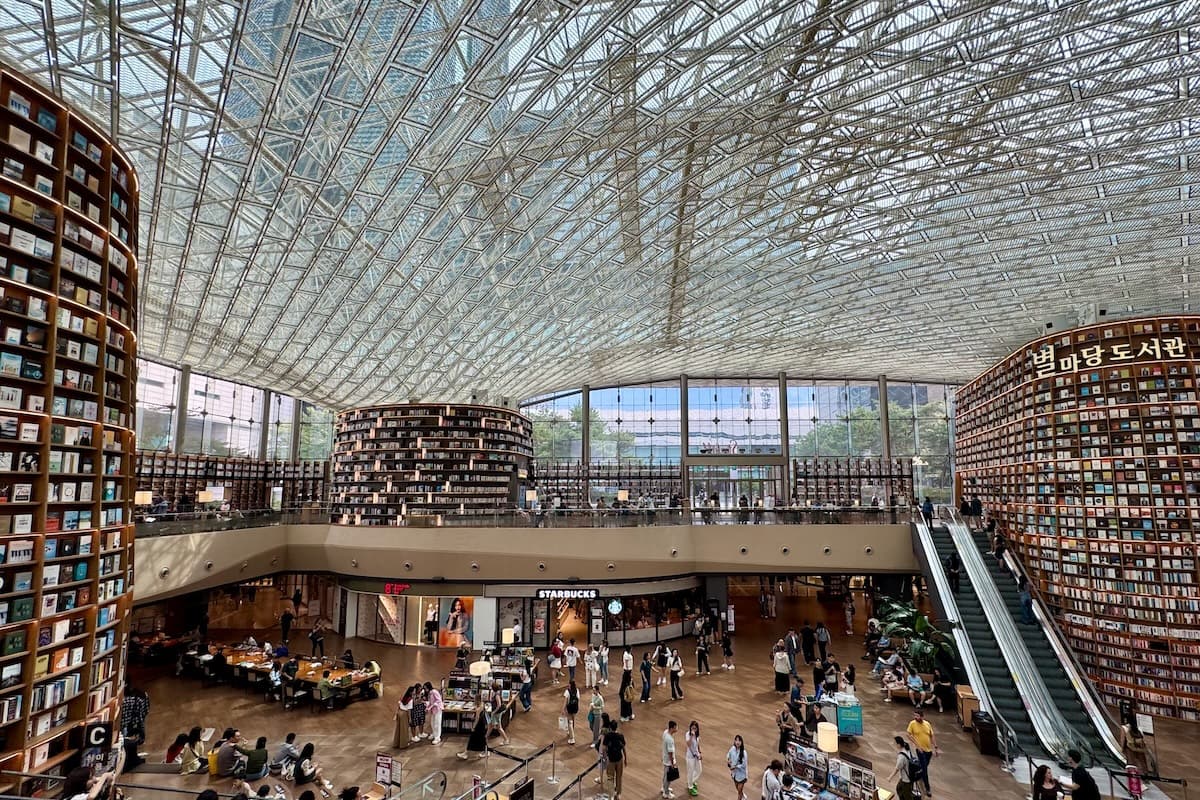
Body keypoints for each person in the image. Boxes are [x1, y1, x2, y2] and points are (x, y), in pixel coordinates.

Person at [905, 708, 938, 798]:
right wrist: (917, 746)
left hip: (928, 751)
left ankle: (917, 775)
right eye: (915, 715)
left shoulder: (927, 724)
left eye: (917, 716)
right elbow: (908, 734)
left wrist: (935, 747)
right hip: (920, 750)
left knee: (923, 767)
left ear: (922, 717)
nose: (915, 717)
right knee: (925, 769)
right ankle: (927, 788)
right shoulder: (912, 724)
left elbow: (932, 735)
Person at [604, 720, 627, 799]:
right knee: (619, 777)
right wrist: (625, 759)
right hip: (619, 759)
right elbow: (623, 748)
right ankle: (618, 793)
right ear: (616, 727)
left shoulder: (607, 736)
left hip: (611, 760)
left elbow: (604, 748)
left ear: (610, 728)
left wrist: (606, 757)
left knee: (610, 778)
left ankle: (611, 795)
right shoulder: (620, 736)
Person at [726, 734, 747, 800]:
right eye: (736, 740)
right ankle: (743, 796)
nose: (737, 742)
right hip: (734, 774)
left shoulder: (744, 752)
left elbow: (744, 765)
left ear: (741, 742)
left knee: (739, 791)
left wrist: (735, 767)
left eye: (739, 741)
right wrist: (728, 760)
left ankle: (741, 796)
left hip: (741, 775)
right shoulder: (732, 748)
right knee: (738, 789)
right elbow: (728, 754)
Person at [684, 721, 702, 797]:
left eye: (695, 728)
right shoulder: (687, 734)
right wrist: (691, 736)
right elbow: (688, 744)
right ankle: (690, 786)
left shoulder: (697, 736)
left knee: (699, 770)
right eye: (692, 728)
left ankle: (691, 781)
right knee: (690, 771)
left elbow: (697, 745)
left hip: (697, 755)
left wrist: (700, 752)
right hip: (690, 757)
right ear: (690, 728)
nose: (694, 729)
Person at [661, 720, 678, 800]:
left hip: (665, 758)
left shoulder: (665, 732)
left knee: (665, 775)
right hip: (668, 761)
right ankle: (666, 793)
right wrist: (672, 763)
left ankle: (664, 788)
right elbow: (670, 752)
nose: (677, 728)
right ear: (672, 728)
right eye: (676, 727)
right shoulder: (670, 739)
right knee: (668, 777)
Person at [562, 680, 580, 745]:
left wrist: (563, 709)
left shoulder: (567, 692)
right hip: (575, 708)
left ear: (570, 684)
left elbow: (565, 702)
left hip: (569, 708)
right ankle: (571, 731)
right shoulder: (577, 690)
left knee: (569, 722)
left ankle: (572, 738)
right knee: (573, 720)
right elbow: (578, 699)